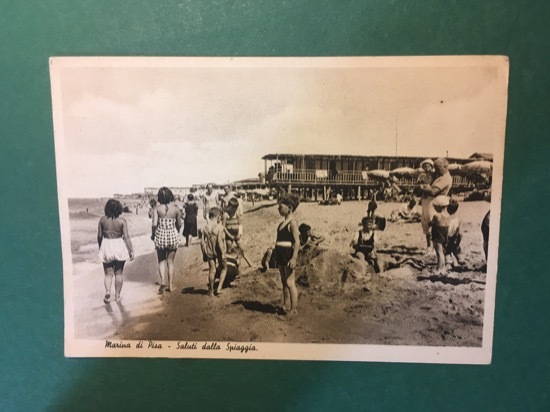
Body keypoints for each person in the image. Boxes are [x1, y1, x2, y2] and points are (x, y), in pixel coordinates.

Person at [97, 199, 134, 304]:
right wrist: (131, 250)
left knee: (108, 274)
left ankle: (108, 291)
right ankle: (117, 296)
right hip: (119, 245)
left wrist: (101, 247)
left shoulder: (102, 220)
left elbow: (99, 236)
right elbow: (126, 237)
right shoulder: (122, 221)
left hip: (106, 244)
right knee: (119, 273)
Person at [274, 193, 301, 317]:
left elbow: (297, 242)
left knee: (290, 282)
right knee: (284, 281)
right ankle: (285, 304)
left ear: (289, 207)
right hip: (280, 253)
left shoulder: (292, 223)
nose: (278, 209)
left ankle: (294, 309)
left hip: (288, 254)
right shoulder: (282, 224)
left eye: (280, 207)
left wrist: (294, 258)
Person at [152, 187, 182, 293]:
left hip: (160, 235)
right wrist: (177, 232)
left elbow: (154, 224)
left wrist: (153, 235)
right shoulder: (176, 209)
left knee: (161, 260)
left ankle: (163, 281)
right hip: (172, 235)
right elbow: (179, 224)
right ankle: (171, 286)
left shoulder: (156, 208)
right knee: (171, 262)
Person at [200, 207, 227, 296]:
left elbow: (202, 242)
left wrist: (203, 253)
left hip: (209, 251)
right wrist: (223, 253)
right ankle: (219, 288)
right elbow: (219, 241)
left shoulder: (205, 228)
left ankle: (210, 291)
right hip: (218, 251)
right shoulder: (220, 227)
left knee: (212, 270)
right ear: (218, 217)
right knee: (224, 268)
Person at [223, 197, 253, 267]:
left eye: (235, 208)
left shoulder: (236, 214)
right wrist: (229, 235)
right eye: (232, 208)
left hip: (237, 234)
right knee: (229, 250)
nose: (234, 210)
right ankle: (228, 265)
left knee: (242, 249)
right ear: (229, 207)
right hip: (229, 235)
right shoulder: (225, 215)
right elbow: (223, 227)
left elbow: (240, 224)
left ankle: (250, 263)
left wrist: (240, 234)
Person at [429, 195, 451, 275]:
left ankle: (439, 269)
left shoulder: (437, 215)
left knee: (439, 253)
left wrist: (429, 223)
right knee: (442, 252)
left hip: (437, 235)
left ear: (439, 206)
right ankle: (443, 267)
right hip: (444, 234)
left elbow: (431, 223)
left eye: (435, 207)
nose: (434, 209)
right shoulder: (448, 215)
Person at [417, 158, 435, 249]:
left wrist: (426, 187)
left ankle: (433, 244)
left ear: (431, 167)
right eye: (425, 166)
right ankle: (428, 245)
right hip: (424, 199)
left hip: (431, 199)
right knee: (425, 220)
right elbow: (419, 187)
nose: (427, 168)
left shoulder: (434, 176)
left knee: (431, 219)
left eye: (428, 166)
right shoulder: (422, 176)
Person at [445, 199, 464, 269]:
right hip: (456, 237)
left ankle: (449, 263)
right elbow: (460, 231)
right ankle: (461, 261)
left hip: (448, 238)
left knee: (447, 251)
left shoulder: (447, 219)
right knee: (456, 250)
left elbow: (446, 230)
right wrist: (459, 239)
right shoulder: (458, 219)